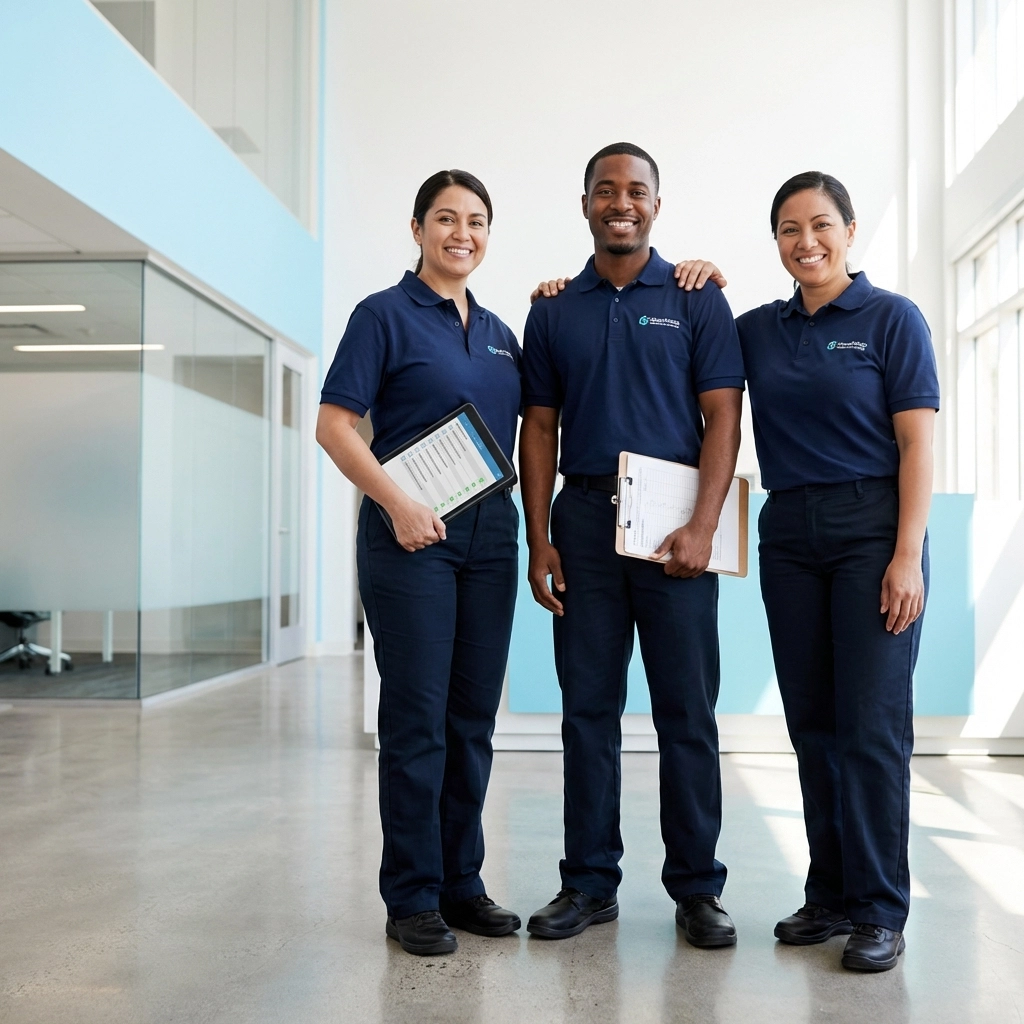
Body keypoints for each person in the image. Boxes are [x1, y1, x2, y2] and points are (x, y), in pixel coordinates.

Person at [534, 170, 938, 972]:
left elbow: (913, 440)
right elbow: (554, 408)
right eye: (789, 230)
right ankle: (822, 891)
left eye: (820, 225)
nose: (806, 241)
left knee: (864, 727)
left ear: (850, 231)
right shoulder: (750, 322)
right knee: (809, 725)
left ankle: (866, 904)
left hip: (861, 528)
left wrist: (904, 554)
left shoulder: (888, 318)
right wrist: (692, 273)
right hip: (776, 531)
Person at [519, 143, 745, 947]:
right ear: (585, 202)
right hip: (582, 526)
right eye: (607, 190)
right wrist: (538, 536)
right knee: (588, 714)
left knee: (687, 714)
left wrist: (705, 526)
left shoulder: (696, 298)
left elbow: (723, 415)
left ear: (657, 203)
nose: (623, 202)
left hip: (674, 528)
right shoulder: (552, 309)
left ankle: (697, 890)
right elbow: (538, 425)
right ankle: (588, 884)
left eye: (637, 190)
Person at [317, 170, 522, 957]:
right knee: (417, 721)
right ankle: (411, 896)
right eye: (445, 218)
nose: (460, 232)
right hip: (410, 542)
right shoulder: (384, 316)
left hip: (489, 541)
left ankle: (461, 883)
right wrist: (397, 503)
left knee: (471, 720)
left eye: (475, 220)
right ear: (417, 230)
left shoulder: (503, 331)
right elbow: (335, 426)